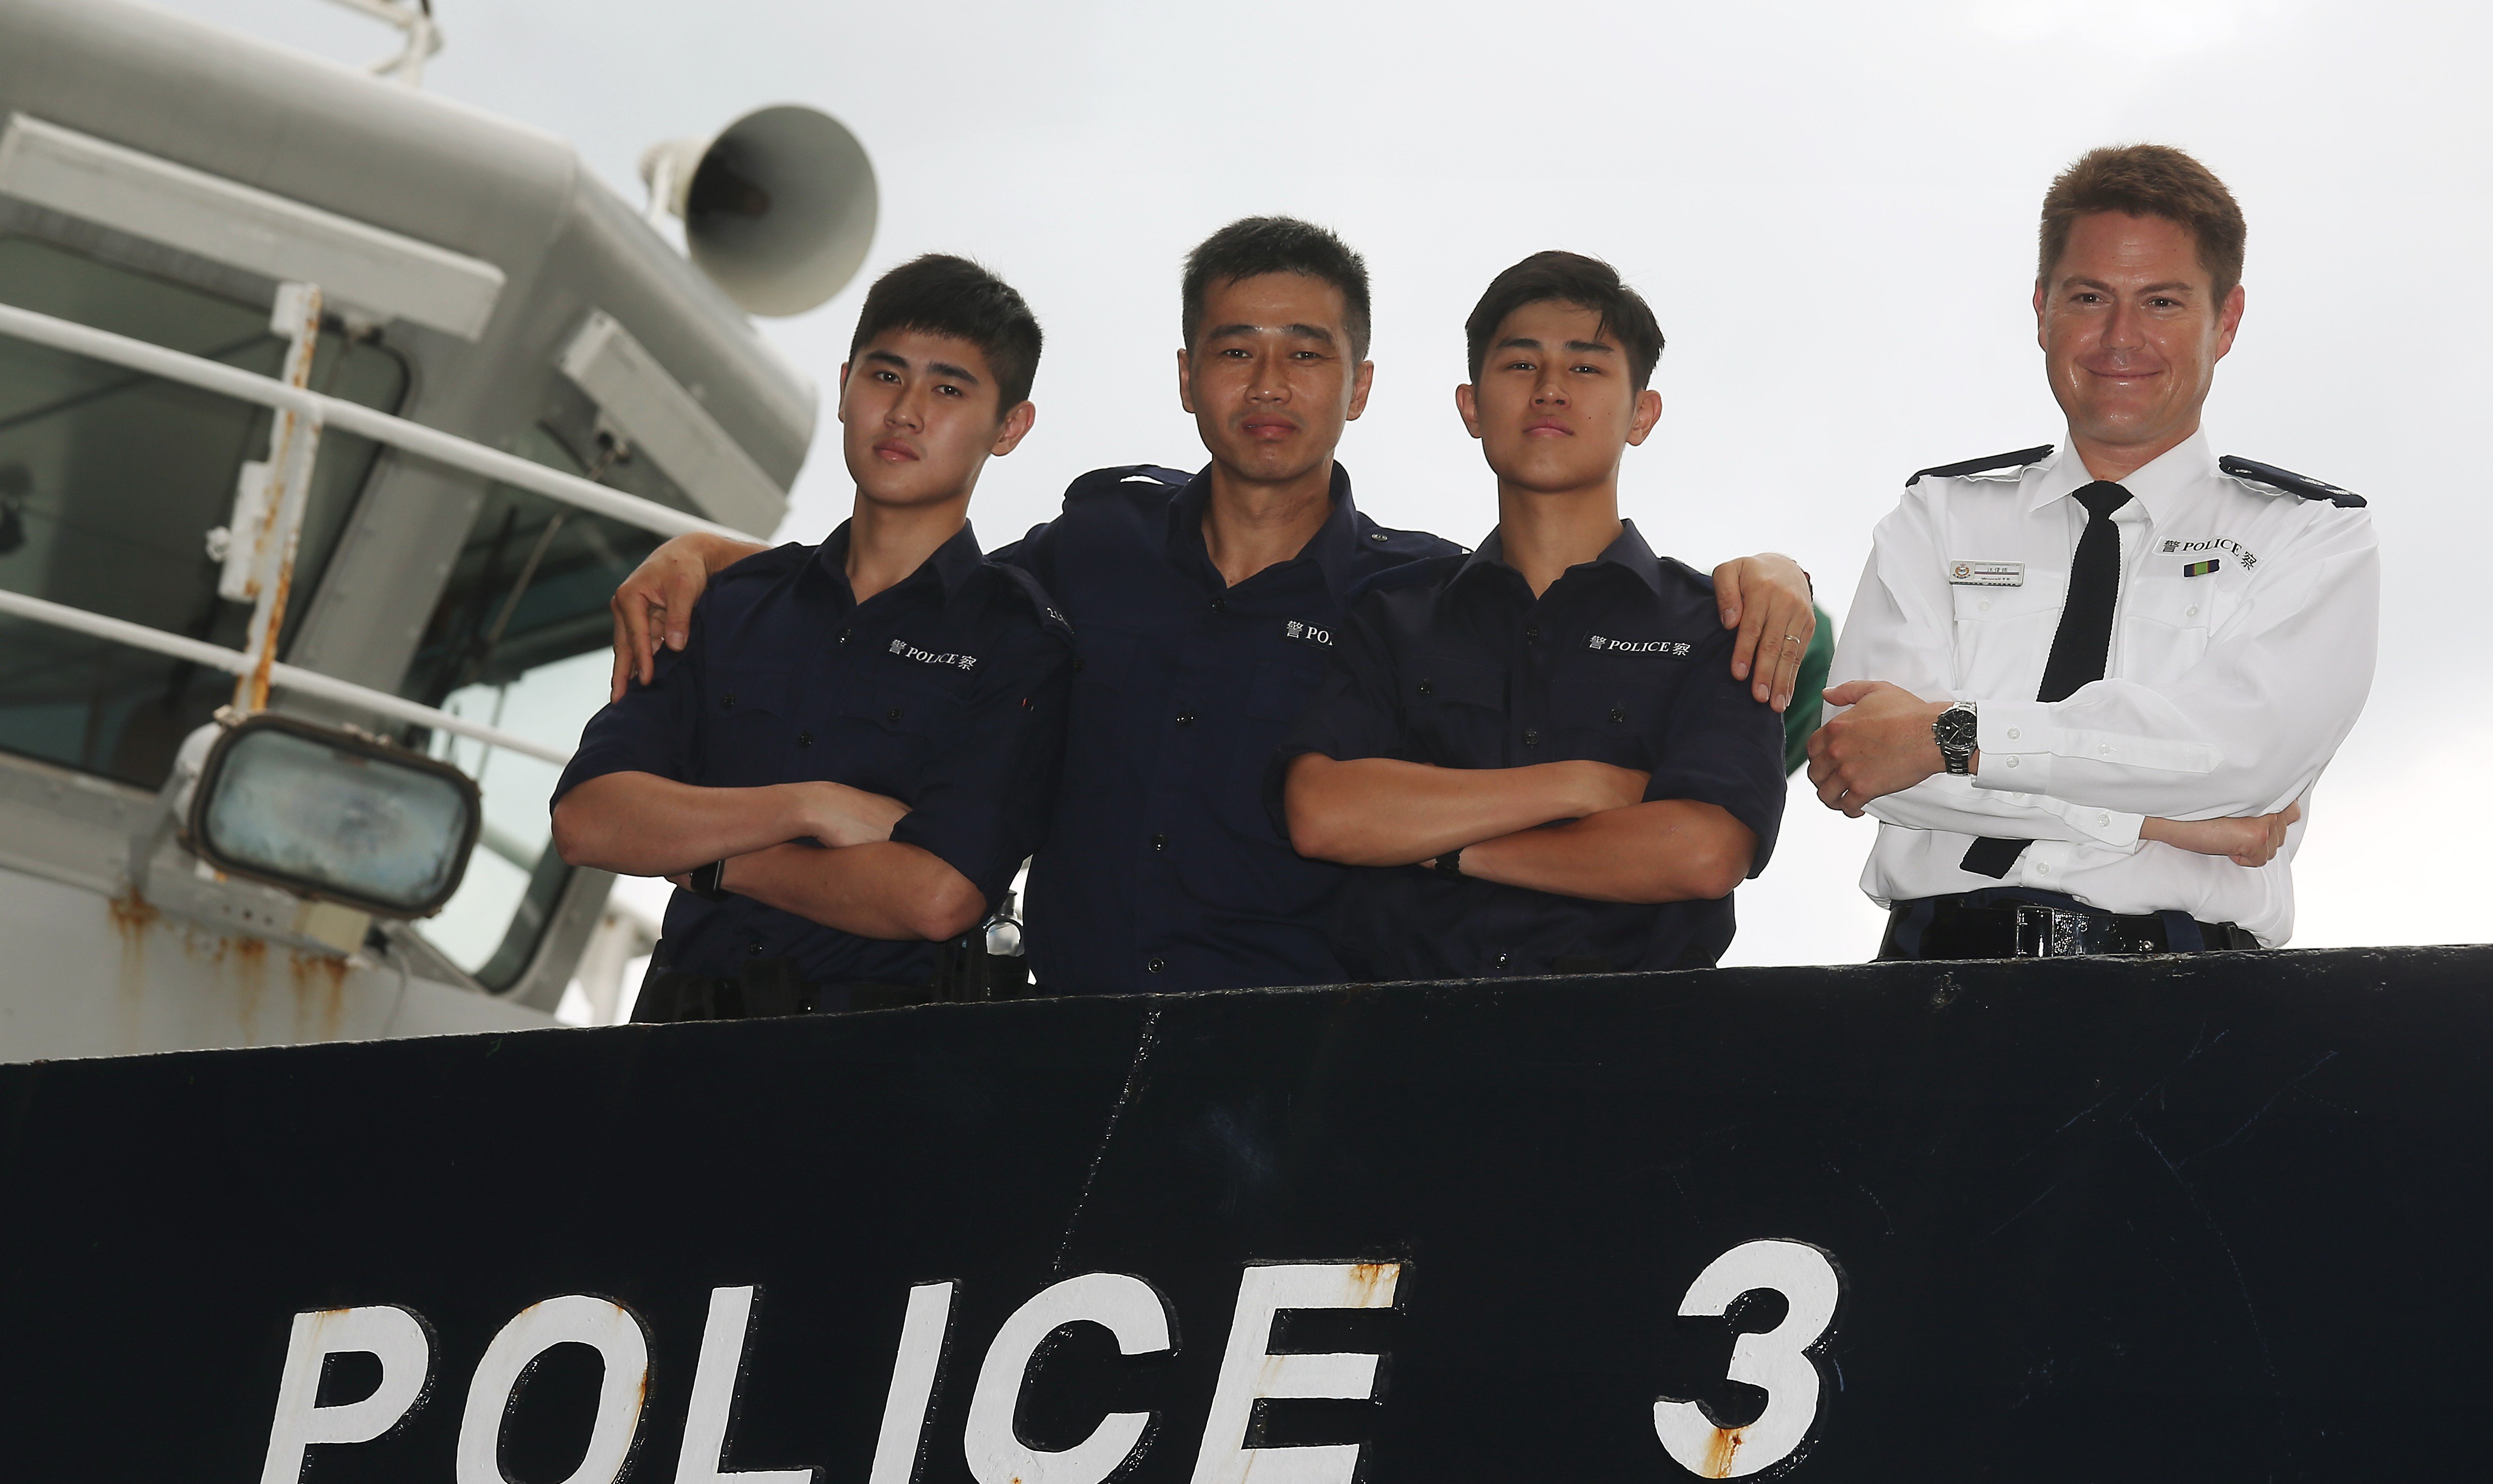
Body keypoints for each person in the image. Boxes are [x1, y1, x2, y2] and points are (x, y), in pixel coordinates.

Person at [606, 219, 1821, 995]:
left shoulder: (1408, 596)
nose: (1271, 383)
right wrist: (707, 555)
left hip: (1284, 1059)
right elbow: (902, 574)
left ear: (1364, 389)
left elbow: (1568, 627)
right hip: (1048, 1038)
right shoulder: (1092, 547)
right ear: (1187, 377)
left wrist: (1780, 577)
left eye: (1307, 353)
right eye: (1236, 351)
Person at [1804, 144, 2376, 959]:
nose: (2120, 338)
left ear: (2229, 320)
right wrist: (2157, 818)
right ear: (2041, 309)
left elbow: (2239, 759)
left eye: (2164, 302)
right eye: (2089, 296)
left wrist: (1951, 737)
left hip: (2194, 995)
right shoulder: (1938, 518)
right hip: (1931, 989)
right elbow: (1866, 761)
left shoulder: (2310, 535)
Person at [548, 254, 1073, 1018]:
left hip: (873, 1068)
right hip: (672, 1048)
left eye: (950, 389)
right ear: (844, 386)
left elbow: (936, 896)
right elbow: (590, 819)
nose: (906, 412)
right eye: (885, 376)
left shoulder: (1016, 643)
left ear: (1010, 427)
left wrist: (718, 864)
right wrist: (811, 807)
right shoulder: (725, 604)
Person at [1278, 252, 1787, 980]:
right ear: (1472, 407)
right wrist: (1581, 787)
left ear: (1642, 413)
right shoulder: (1395, 612)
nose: (1550, 391)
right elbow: (1325, 814)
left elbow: (1702, 853)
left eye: (1586, 369)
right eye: (1520, 366)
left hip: (1638, 1054)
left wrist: (1446, 848)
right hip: (1399, 1052)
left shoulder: (1716, 625)